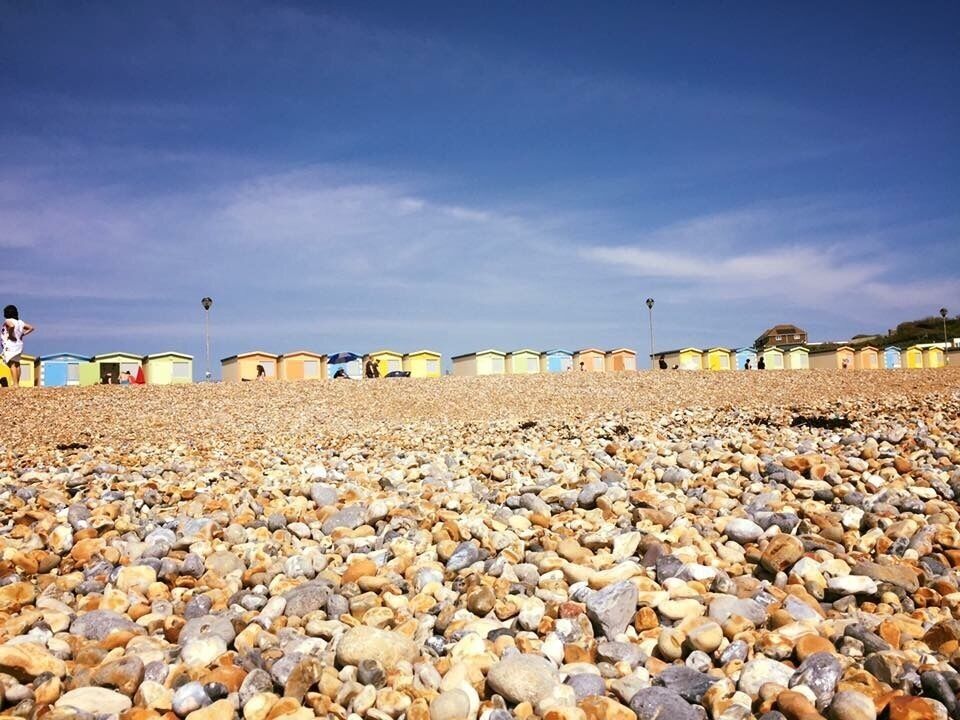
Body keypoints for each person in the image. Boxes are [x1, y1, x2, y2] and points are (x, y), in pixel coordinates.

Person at [2, 305, 34, 387]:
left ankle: (15, 384)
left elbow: (11, 326)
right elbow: (31, 328)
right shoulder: (20, 322)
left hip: (10, 344)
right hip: (19, 344)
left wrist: (10, 335)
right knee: (17, 363)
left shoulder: (8, 320)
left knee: (11, 363)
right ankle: (17, 383)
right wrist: (22, 334)